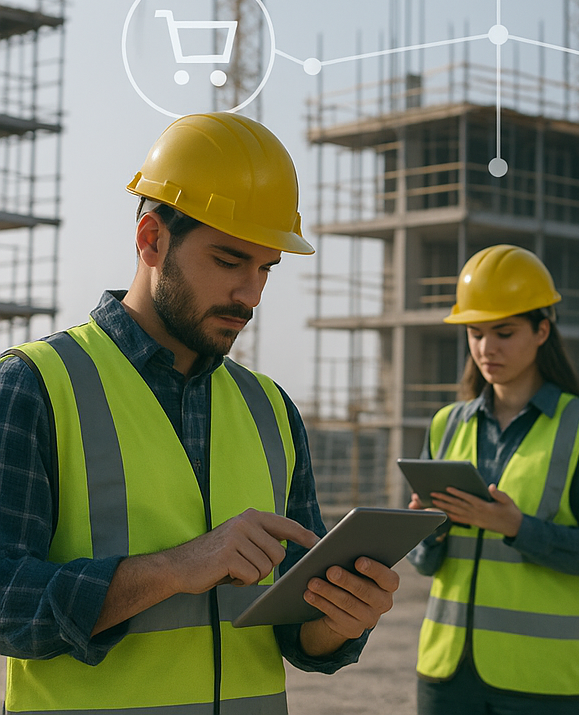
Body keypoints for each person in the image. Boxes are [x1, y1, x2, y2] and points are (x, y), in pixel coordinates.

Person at [0, 112, 399, 714]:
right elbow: (7, 603)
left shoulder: (271, 409)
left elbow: (300, 633)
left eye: (266, 268)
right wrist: (175, 568)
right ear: (152, 240)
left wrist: (341, 619)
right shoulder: (36, 386)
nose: (251, 294)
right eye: (229, 261)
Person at [407, 244, 579, 715]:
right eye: (476, 333)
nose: (487, 349)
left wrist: (516, 527)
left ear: (542, 330)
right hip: (445, 674)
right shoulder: (446, 424)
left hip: (542, 680)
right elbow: (423, 563)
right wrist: (426, 528)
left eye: (503, 333)